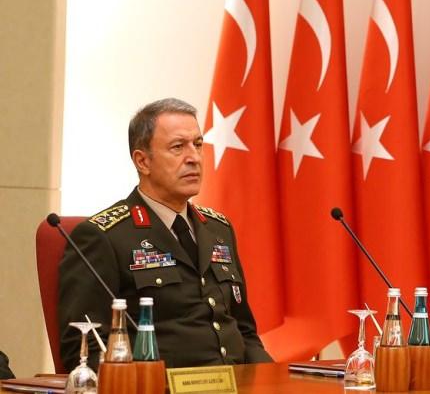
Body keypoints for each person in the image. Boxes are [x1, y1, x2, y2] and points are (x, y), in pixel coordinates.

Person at [58, 98, 272, 370]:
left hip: (236, 382)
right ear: (143, 161)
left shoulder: (219, 228)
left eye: (197, 144)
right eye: (178, 147)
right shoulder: (104, 236)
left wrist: (273, 379)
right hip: (161, 385)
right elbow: (84, 347)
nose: (194, 158)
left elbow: (244, 332)